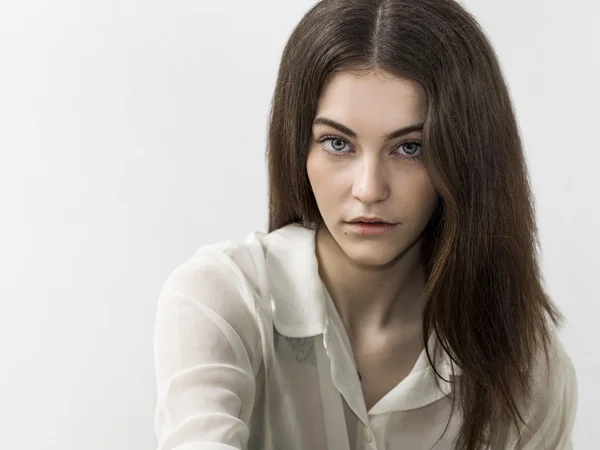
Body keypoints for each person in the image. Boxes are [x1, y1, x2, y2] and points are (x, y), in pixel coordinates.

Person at [153, 0, 578, 448]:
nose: (369, 189)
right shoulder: (221, 300)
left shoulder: (525, 362)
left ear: (466, 160)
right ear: (299, 149)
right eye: (337, 143)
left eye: (410, 148)